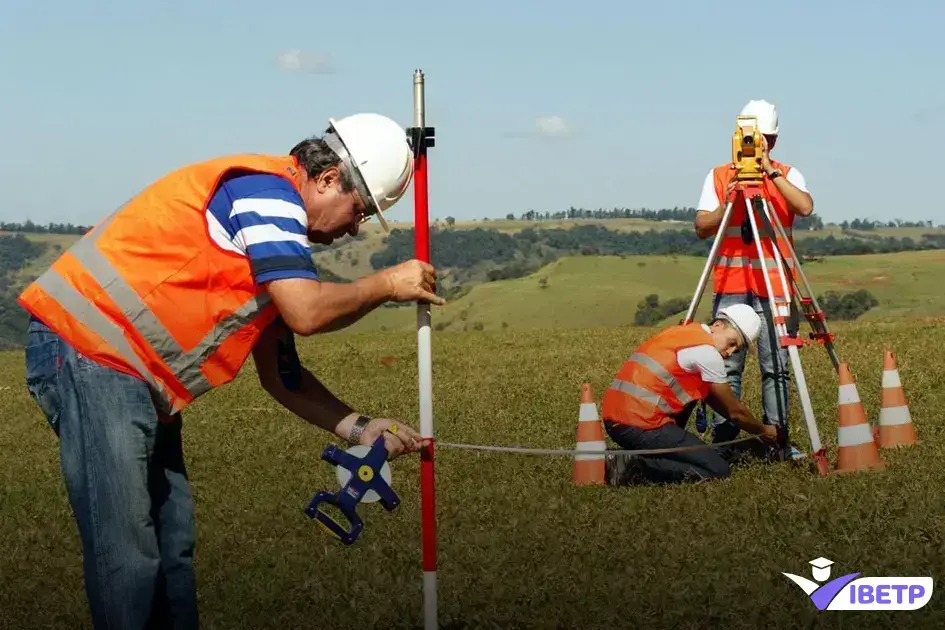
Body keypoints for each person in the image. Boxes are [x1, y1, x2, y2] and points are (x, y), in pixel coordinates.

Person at [17, 112, 446, 630]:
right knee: (128, 557)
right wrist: (385, 286)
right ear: (329, 178)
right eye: (359, 210)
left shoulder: (275, 238)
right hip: (89, 351)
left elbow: (281, 373)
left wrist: (360, 427)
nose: (354, 227)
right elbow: (306, 313)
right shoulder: (265, 194)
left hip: (135, 378)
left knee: (172, 549)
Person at [692, 99, 814, 460]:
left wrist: (770, 174)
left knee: (775, 367)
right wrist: (728, 199)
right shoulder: (718, 177)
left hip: (774, 288)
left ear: (773, 141)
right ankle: (725, 444)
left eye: (764, 139)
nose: (758, 145)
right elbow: (702, 226)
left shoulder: (788, 174)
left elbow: (805, 207)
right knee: (724, 367)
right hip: (731, 284)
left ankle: (776, 441)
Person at [602, 304, 781, 485]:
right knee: (717, 470)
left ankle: (634, 458)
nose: (730, 352)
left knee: (697, 458)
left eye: (737, 349)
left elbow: (716, 400)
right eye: (732, 343)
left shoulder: (685, 333)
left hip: (616, 420)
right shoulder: (707, 354)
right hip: (640, 425)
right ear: (718, 325)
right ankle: (626, 467)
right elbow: (735, 412)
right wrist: (763, 431)